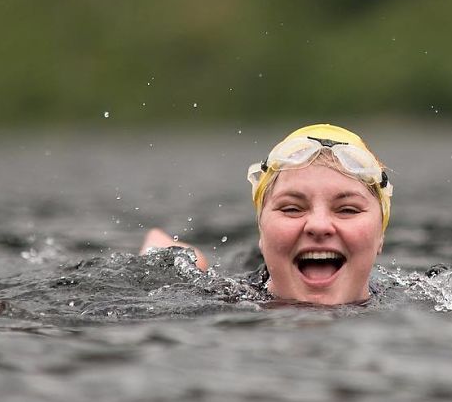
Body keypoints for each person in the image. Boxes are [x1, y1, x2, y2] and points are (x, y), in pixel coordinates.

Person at [140, 123, 393, 306]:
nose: (318, 225)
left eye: (347, 210)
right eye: (292, 209)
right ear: (261, 231)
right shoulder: (217, 301)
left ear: (380, 235)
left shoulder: (425, 301)